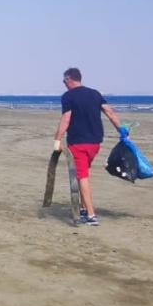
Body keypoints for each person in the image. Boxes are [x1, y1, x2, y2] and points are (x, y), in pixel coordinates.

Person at [54, 67, 125, 226]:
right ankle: (84, 208)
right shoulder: (95, 94)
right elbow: (110, 112)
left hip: (78, 143)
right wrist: (122, 130)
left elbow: (66, 118)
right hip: (95, 143)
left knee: (82, 177)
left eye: (64, 80)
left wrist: (57, 139)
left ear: (69, 79)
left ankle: (91, 216)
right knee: (84, 173)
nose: (64, 83)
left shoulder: (68, 96)